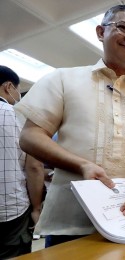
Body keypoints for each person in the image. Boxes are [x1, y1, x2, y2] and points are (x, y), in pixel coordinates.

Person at [15, 4, 125, 247]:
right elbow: (30, 136)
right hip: (72, 222)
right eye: (123, 27)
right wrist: (82, 165)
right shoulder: (62, 79)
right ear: (101, 32)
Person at [0, 65, 44, 258]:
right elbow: (34, 166)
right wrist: (36, 208)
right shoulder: (17, 115)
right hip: (11, 208)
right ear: (9, 87)